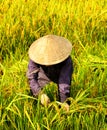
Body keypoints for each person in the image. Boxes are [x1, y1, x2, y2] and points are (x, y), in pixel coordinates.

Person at [26, 34, 73, 109]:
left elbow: (64, 82)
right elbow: (31, 77)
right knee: (39, 106)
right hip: (41, 81)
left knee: (64, 103)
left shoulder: (66, 60)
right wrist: (40, 94)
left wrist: (64, 102)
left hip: (58, 80)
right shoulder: (35, 57)